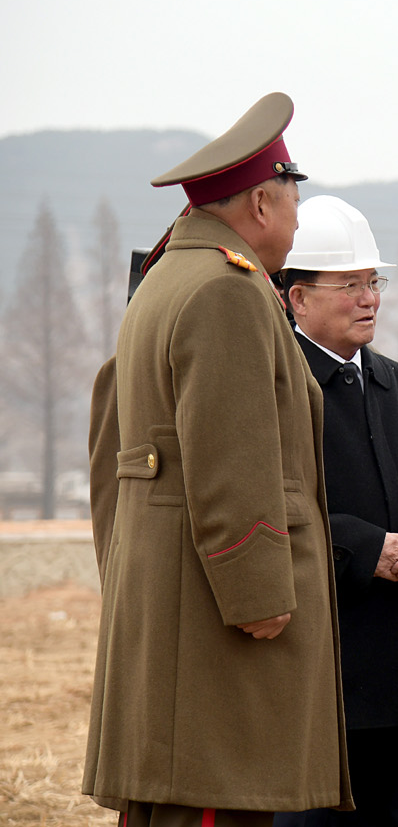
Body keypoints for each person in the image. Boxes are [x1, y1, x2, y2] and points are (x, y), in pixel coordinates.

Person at [84, 93, 352, 826]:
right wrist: (258, 593)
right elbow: (231, 460)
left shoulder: (169, 279)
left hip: (172, 605)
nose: (298, 217)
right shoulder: (226, 292)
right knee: (211, 808)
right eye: (295, 198)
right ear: (263, 202)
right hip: (215, 628)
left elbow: (119, 450)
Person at [273, 195, 398, 827]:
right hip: (325, 669)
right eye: (349, 285)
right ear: (296, 298)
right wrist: (369, 549)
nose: (369, 299)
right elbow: (274, 505)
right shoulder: (275, 389)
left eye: (372, 282)